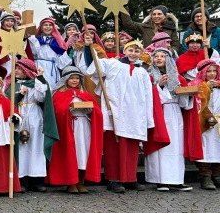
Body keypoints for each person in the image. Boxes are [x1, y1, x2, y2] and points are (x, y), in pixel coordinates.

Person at [82, 35, 167, 193]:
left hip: (135, 114)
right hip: (115, 112)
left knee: (132, 148)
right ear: (124, 50)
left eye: (137, 51)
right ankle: (113, 179)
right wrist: (88, 47)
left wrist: (147, 117)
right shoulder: (112, 64)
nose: (133, 53)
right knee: (114, 148)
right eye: (130, 50)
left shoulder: (142, 72)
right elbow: (94, 65)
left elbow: (148, 96)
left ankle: (130, 178)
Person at [48, 66, 103, 193]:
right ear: (65, 79)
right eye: (71, 78)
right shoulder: (59, 94)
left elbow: (98, 112)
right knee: (72, 153)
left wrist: (91, 112)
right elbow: (57, 112)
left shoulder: (85, 94)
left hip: (84, 127)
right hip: (69, 128)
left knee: (83, 154)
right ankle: (71, 182)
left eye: (77, 78)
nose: (74, 80)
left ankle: (81, 181)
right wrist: (68, 110)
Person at [145, 48, 192, 191]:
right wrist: (159, 86)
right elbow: (147, 96)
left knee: (176, 146)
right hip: (159, 113)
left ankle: (176, 180)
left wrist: (187, 94)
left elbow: (184, 104)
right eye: (156, 56)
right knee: (161, 147)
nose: (159, 58)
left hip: (175, 113)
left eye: (162, 56)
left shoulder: (178, 78)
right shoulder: (148, 77)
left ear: (169, 60)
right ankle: (161, 180)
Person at [9, 58, 58, 193]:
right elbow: (9, 101)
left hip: (34, 115)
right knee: (21, 148)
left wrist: (40, 79)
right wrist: (20, 94)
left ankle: (37, 181)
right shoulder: (11, 84)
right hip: (20, 115)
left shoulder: (36, 83)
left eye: (19, 69)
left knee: (36, 147)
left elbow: (41, 97)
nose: (16, 71)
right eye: (15, 68)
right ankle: (22, 181)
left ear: (26, 70)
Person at [186, 59, 220, 190]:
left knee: (218, 148)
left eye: (214, 71)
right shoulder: (196, 85)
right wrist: (206, 87)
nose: (212, 74)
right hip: (204, 121)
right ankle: (205, 176)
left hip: (218, 121)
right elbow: (195, 101)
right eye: (209, 71)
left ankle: (217, 175)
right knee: (206, 148)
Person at [27, 18, 70, 87]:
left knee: (51, 87)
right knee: (38, 87)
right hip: (38, 67)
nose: (48, 27)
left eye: (50, 25)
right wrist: (31, 39)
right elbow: (33, 52)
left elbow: (63, 62)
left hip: (51, 69)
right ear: (41, 27)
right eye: (45, 25)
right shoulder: (36, 39)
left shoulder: (58, 41)